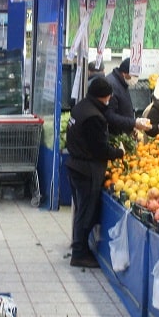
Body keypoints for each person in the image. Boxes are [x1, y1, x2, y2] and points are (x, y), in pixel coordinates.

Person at [66, 76, 124, 268]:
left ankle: (79, 247)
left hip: (75, 165)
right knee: (86, 212)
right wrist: (119, 152)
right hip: (87, 170)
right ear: (104, 97)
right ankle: (79, 253)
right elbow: (100, 149)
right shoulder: (94, 117)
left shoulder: (81, 107)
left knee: (82, 210)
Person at [104, 58, 151, 135]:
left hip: (122, 131)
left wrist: (131, 126)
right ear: (124, 73)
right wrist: (133, 122)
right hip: (114, 134)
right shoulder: (112, 85)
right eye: (134, 75)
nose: (136, 78)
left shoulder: (122, 83)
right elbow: (110, 115)